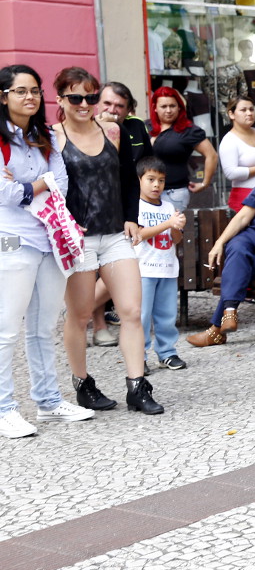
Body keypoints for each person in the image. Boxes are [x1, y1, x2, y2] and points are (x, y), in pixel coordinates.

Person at [53, 67, 163, 415]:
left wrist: (132, 217)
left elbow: (130, 179)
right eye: (75, 97)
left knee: (130, 310)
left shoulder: (112, 131)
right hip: (78, 239)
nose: (84, 104)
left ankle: (137, 386)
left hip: (116, 233)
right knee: (80, 314)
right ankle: (83, 384)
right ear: (60, 100)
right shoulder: (53, 138)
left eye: (90, 97)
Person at [0, 65, 96, 438]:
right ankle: (5, 408)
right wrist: (39, 183)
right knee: (7, 329)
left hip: (50, 240)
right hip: (12, 240)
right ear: (3, 96)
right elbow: (5, 194)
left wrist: (29, 185)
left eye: (35, 91)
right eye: (21, 91)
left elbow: (62, 183)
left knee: (43, 327)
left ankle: (48, 401)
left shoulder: (46, 137)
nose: (30, 97)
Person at [188, 140, 255, 347]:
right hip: (252, 239)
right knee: (237, 245)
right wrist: (219, 243)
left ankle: (217, 329)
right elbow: (242, 218)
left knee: (239, 267)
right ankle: (229, 314)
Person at [92, 82, 152, 345]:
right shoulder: (87, 126)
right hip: (94, 210)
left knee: (123, 264)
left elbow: (144, 164)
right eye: (107, 103)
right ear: (98, 103)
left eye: (119, 105)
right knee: (94, 270)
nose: (112, 109)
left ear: (129, 109)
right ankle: (96, 324)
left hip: (128, 205)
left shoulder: (135, 127)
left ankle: (115, 315)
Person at [134, 156, 187, 370]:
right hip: (143, 269)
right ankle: (139, 356)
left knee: (167, 315)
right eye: (151, 179)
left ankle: (167, 352)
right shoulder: (135, 206)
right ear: (139, 180)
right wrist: (168, 223)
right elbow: (139, 235)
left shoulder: (168, 206)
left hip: (167, 268)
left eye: (161, 180)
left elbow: (177, 239)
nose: (156, 185)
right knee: (142, 316)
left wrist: (176, 226)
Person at [149, 87, 217, 211]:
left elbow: (211, 155)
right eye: (163, 106)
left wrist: (205, 183)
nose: (168, 110)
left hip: (173, 193)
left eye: (172, 106)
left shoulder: (188, 130)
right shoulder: (146, 127)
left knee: (171, 224)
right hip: (146, 193)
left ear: (179, 107)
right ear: (155, 108)